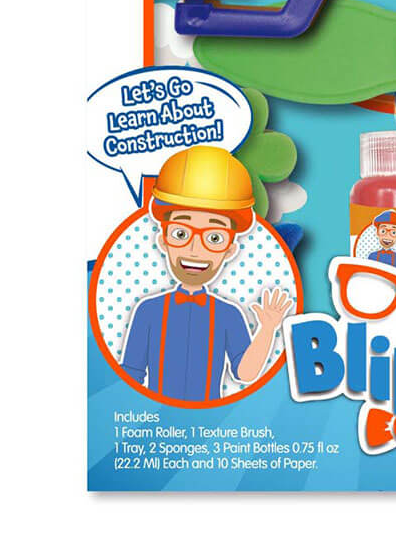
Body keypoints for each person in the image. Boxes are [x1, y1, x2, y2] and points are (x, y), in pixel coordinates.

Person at [121, 145, 293, 402]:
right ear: (163, 240)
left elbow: (244, 373)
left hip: (211, 420)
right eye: (181, 233)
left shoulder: (228, 314)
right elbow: (130, 375)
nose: (194, 249)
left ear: (230, 249)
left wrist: (267, 329)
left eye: (214, 238)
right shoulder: (148, 310)